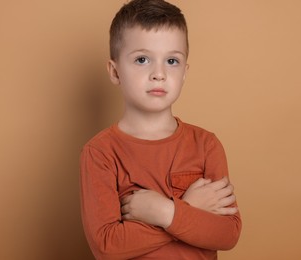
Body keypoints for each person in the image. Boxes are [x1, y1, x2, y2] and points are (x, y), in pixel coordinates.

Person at [80, 0, 242, 259]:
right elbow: (107, 246)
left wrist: (165, 212)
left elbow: (228, 233)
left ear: (185, 72)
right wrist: (187, 207)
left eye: (172, 61)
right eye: (142, 59)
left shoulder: (206, 144)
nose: (159, 73)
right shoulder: (100, 153)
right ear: (114, 71)